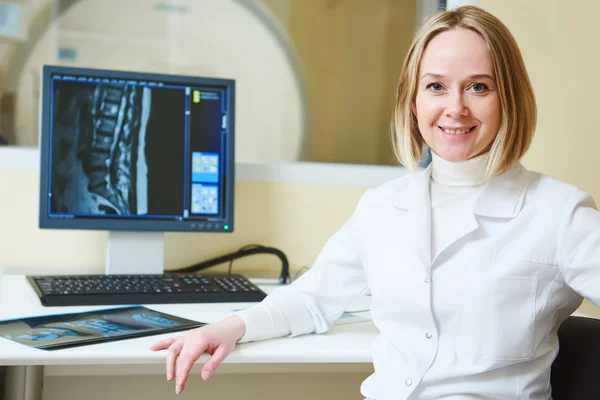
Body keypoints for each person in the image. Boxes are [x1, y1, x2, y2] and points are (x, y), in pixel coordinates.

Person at [151, 5, 600, 399]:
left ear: (510, 98)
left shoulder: (559, 213)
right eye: (437, 86)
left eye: (479, 87)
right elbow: (312, 299)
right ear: (412, 99)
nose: (455, 107)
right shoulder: (383, 207)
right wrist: (228, 328)